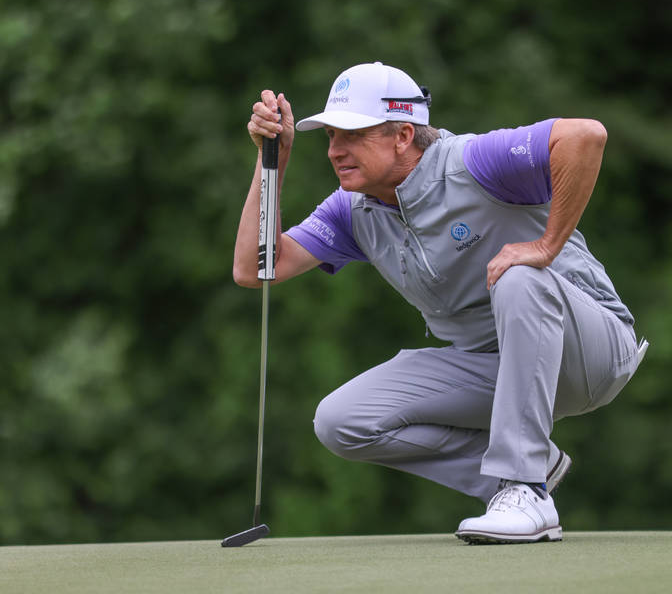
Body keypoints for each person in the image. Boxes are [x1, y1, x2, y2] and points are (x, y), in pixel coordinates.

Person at [233, 62, 648, 544]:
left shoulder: (473, 162)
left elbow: (585, 136)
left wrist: (545, 246)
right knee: (342, 421)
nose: (335, 151)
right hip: (496, 370)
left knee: (518, 276)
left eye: (353, 135)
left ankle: (525, 485)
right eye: (330, 136)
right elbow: (255, 268)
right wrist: (274, 161)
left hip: (591, 351)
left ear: (403, 135)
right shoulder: (353, 209)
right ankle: (522, 477)